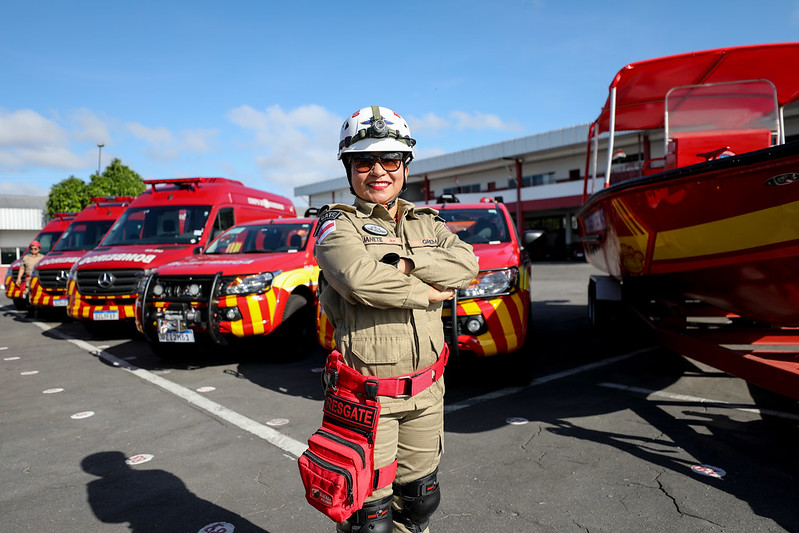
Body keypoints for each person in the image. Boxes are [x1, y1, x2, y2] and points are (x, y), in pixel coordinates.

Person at [314, 106, 479, 533]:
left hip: (427, 392)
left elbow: (464, 266)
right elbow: (358, 279)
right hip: (367, 401)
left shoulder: (428, 221)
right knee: (370, 519)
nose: (378, 172)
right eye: (364, 162)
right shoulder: (336, 227)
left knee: (421, 499)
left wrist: (399, 261)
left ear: (405, 165)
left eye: (390, 160)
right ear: (349, 168)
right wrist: (424, 286)